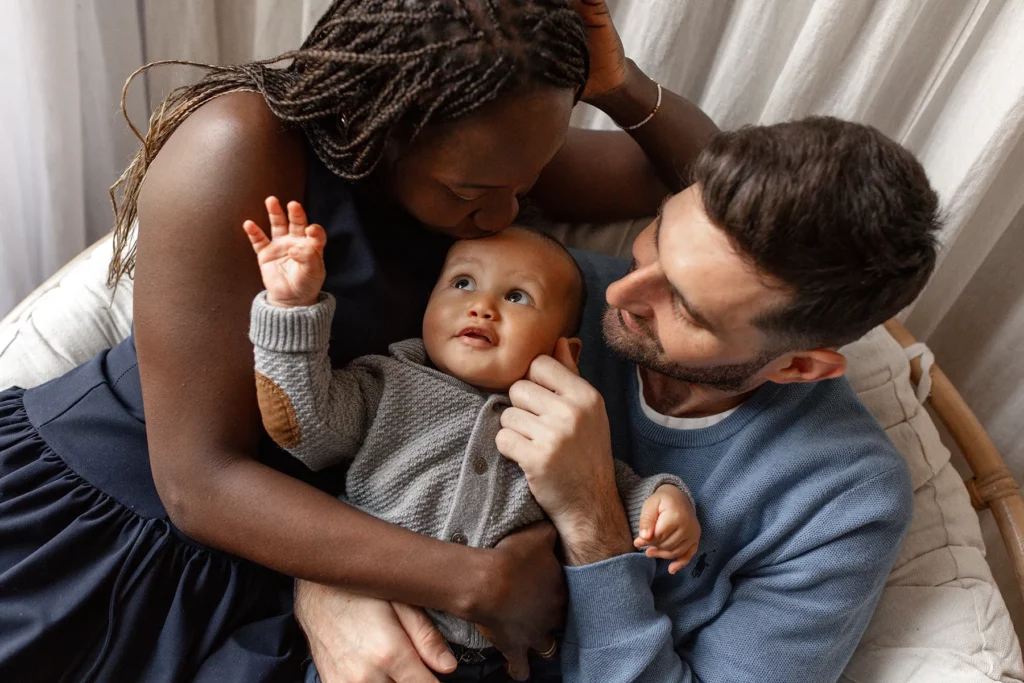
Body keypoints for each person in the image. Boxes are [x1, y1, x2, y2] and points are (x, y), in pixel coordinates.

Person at [0, 1, 717, 681]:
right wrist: (475, 578)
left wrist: (617, 85)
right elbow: (197, 480)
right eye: (473, 190)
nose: (504, 214)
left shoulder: (494, 145)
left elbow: (719, 191)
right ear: (387, 122)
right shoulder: (240, 145)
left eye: (524, 184)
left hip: (298, 555)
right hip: (101, 531)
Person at [297, 116, 942, 683]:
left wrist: (591, 517)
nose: (622, 293)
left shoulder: (841, 500)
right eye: (658, 234)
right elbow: (366, 422)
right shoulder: (541, 288)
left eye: (684, 307)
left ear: (799, 366)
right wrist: (326, 581)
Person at [244, 200, 700, 680]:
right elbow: (301, 425)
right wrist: (292, 309)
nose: (481, 306)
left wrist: (666, 500)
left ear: (564, 350)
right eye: (462, 284)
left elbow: (610, 493)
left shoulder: (555, 430)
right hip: (368, 639)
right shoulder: (386, 385)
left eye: (518, 297)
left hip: (494, 663)